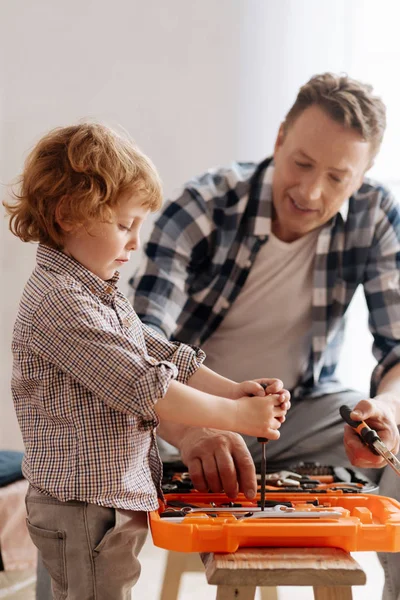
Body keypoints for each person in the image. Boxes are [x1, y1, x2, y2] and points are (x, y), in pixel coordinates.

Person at [131, 73, 400, 600]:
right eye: (300, 163)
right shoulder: (204, 206)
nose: (310, 191)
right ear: (279, 138)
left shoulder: (375, 215)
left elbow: (398, 349)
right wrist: (192, 429)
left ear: (364, 176)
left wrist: (387, 410)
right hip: (182, 413)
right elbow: (137, 344)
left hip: (298, 413)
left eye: (337, 177)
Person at [3, 123, 290, 600]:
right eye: (124, 225)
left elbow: (156, 352)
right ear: (68, 215)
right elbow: (142, 385)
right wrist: (238, 417)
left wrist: (231, 390)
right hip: (82, 506)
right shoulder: (61, 302)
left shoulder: (97, 293)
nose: (135, 242)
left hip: (105, 500)